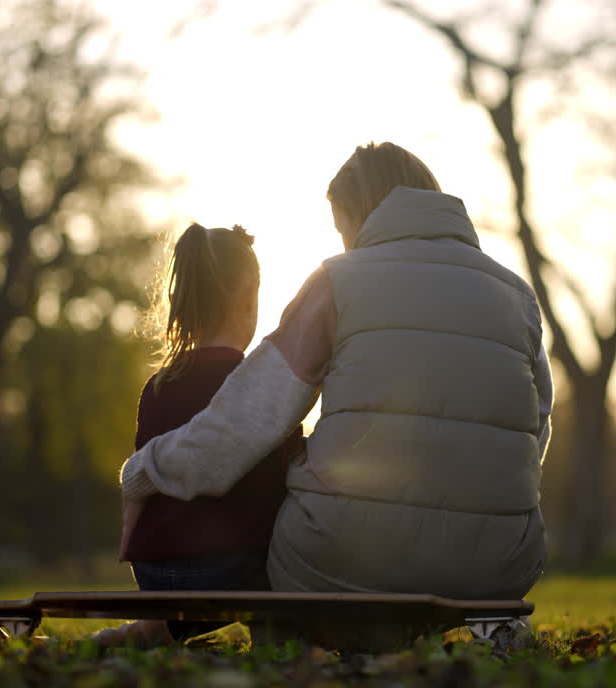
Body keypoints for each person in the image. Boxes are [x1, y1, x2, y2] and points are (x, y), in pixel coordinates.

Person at [121, 142, 552, 602]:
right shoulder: (517, 296)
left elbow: (244, 424)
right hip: (502, 564)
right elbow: (534, 432)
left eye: (342, 228)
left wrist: (145, 468)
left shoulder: (337, 281)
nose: (347, 244)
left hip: (351, 559)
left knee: (299, 501)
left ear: (359, 214)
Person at [97, 222, 302, 647]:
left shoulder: (157, 386)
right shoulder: (257, 385)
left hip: (156, 574)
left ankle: (148, 630)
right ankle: (275, 637)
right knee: (285, 535)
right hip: (230, 571)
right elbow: (292, 480)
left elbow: (146, 483)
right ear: (250, 297)